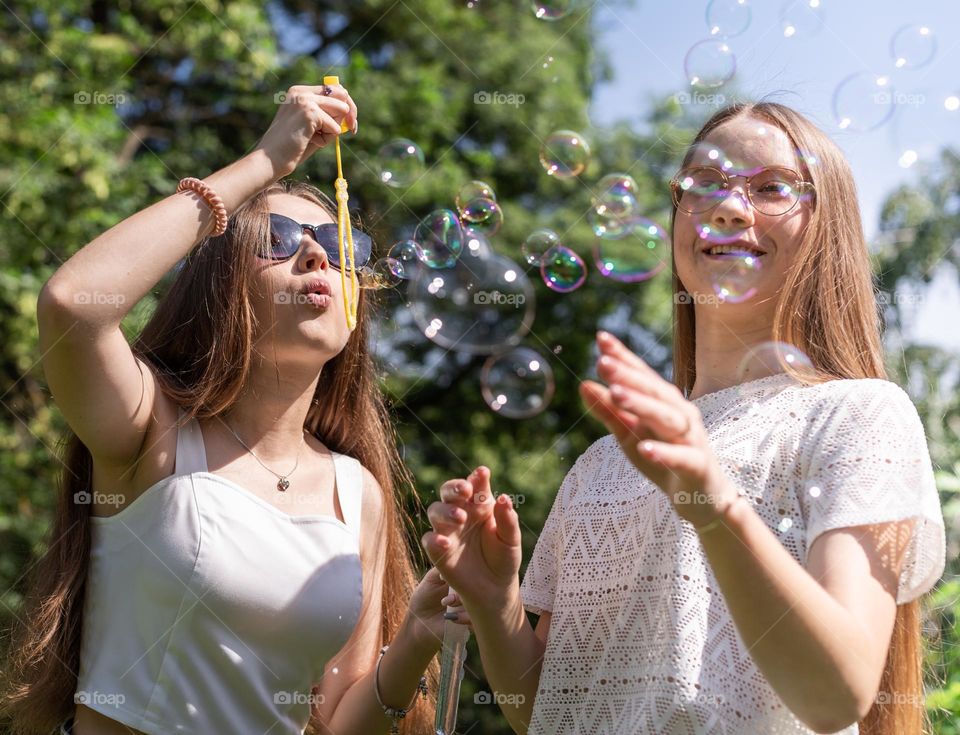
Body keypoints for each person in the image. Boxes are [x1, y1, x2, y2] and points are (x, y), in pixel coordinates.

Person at [422, 102, 946, 735]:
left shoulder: (856, 416)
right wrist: (495, 603)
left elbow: (837, 695)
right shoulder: (603, 461)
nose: (728, 206)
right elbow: (551, 707)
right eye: (703, 184)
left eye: (772, 188)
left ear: (825, 226)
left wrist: (712, 500)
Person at [2, 82, 464, 735]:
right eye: (277, 236)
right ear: (222, 281)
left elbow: (335, 718)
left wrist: (417, 629)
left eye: (338, 246)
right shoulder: (154, 429)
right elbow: (74, 305)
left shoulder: (355, 492)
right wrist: (266, 162)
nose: (315, 254)